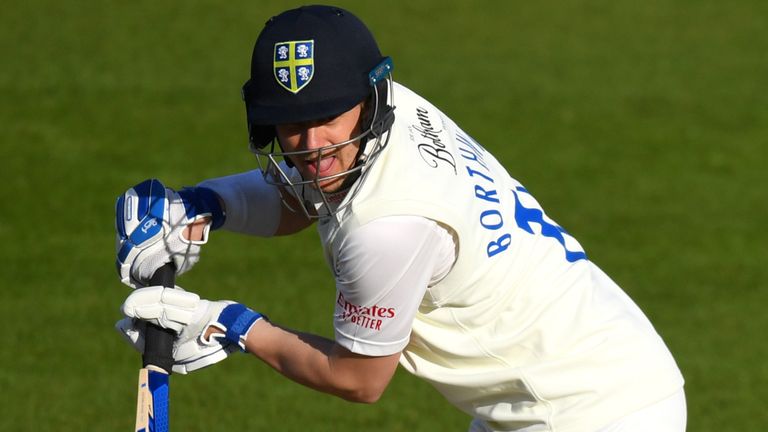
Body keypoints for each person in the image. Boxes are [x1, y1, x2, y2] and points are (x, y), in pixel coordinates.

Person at [114, 5, 686, 431]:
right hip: (574, 375)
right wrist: (204, 207)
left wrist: (231, 325)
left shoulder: (387, 227)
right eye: (292, 125)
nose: (313, 146)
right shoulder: (391, 110)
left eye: (328, 117)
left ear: (365, 98)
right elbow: (303, 197)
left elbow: (358, 380)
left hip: (589, 409)